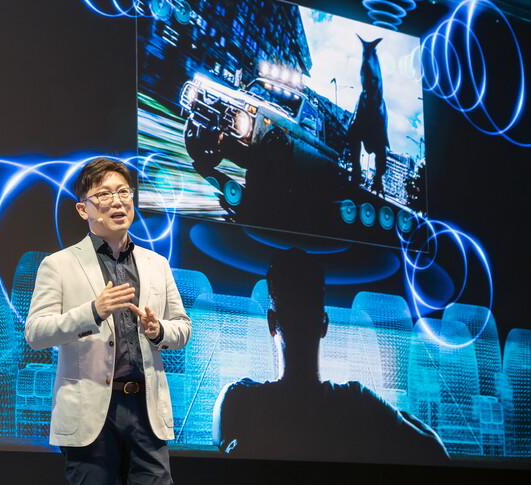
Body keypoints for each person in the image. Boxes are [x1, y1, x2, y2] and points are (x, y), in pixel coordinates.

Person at [25, 157, 191, 484]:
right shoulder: (59, 265)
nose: (117, 201)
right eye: (104, 194)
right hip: (90, 411)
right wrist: (93, 312)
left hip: (146, 408)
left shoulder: (157, 264)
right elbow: (36, 333)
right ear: (83, 209)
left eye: (123, 192)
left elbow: (183, 328)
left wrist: (159, 330)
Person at [213, 248, 448, 465]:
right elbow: (434, 451)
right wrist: (391, 416)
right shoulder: (357, 403)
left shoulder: (238, 399)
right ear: (324, 324)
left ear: (271, 323)